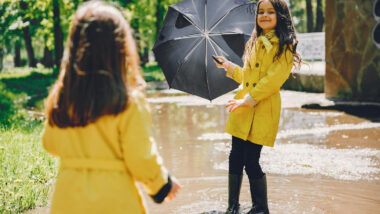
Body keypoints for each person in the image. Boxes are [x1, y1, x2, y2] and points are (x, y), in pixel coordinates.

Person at [41, 1, 180, 213]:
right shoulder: (127, 103)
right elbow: (140, 156)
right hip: (115, 201)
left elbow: (50, 143)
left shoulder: (63, 99)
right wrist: (162, 184)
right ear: (121, 49)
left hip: (67, 201)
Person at [214, 0, 302, 213]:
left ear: (280, 15)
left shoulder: (284, 46)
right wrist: (229, 66)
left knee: (251, 160)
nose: (264, 15)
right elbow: (248, 77)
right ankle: (232, 207)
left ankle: (261, 208)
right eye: (260, 12)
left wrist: (249, 99)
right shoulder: (254, 42)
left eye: (270, 12)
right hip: (242, 107)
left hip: (262, 108)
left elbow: (272, 81)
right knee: (235, 156)